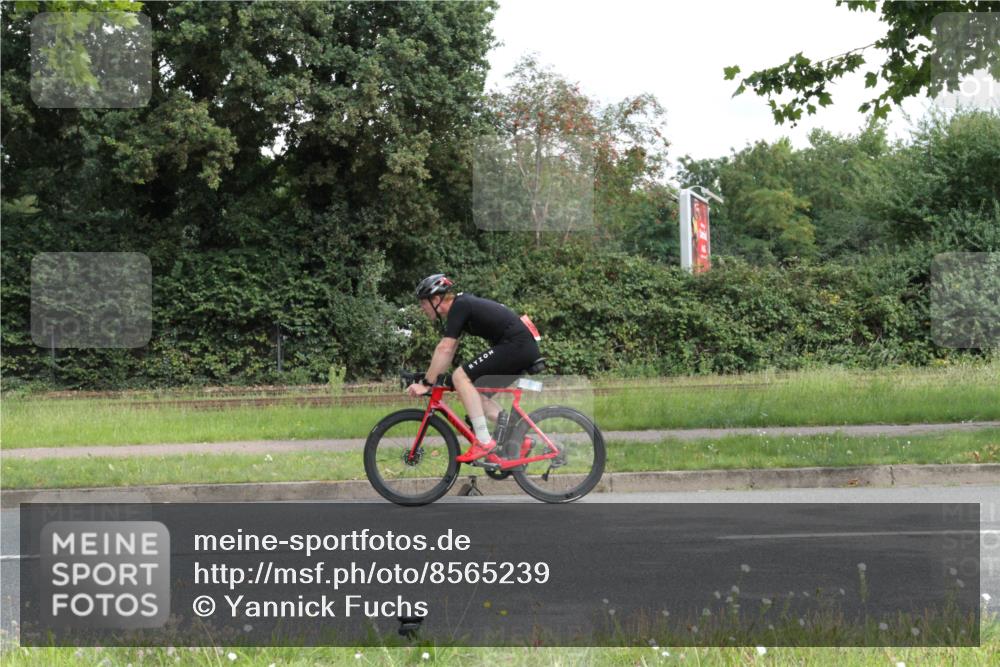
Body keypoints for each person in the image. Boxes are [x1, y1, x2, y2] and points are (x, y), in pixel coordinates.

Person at [407, 274, 541, 462]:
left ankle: (483, 441)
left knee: (460, 377)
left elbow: (444, 348)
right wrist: (432, 379)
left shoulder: (460, 306)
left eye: (423, 304)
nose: (422, 309)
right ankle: (520, 439)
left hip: (516, 345)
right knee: (476, 396)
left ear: (436, 300)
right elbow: (449, 349)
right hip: (519, 346)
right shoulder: (461, 306)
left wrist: (427, 383)